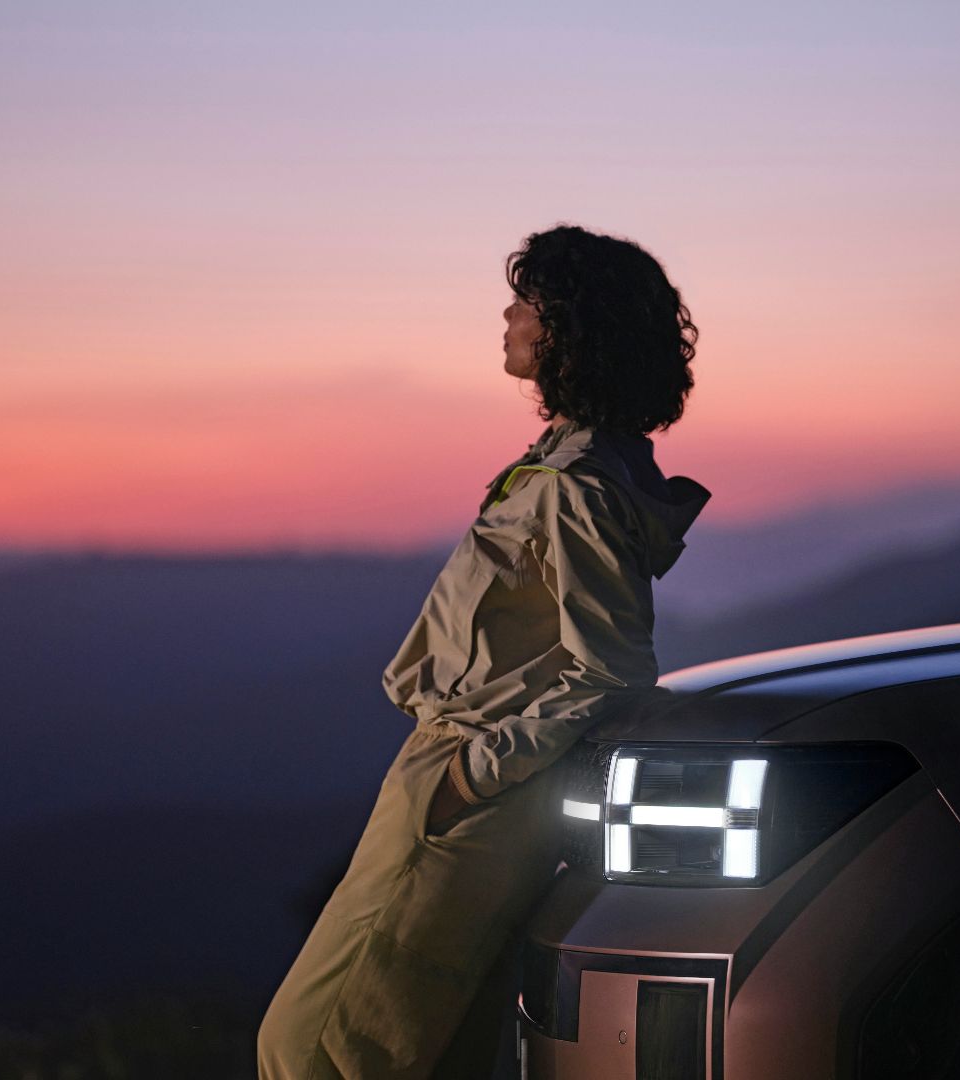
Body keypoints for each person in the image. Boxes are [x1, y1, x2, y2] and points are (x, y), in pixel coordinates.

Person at [257, 223, 712, 1079]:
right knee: (428, 1047)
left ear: (571, 329)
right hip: (460, 781)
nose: (508, 316)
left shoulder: (576, 485)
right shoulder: (567, 466)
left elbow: (611, 669)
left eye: (528, 303)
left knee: (318, 1051)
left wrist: (470, 778)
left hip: (472, 788)